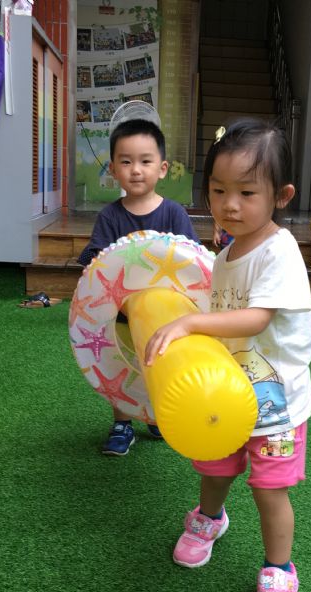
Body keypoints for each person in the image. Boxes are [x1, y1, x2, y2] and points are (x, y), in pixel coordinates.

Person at [144, 119, 311, 592]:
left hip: (276, 405)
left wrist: (190, 322)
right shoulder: (224, 255)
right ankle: (210, 519)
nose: (229, 205)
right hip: (223, 394)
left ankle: (279, 571)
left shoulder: (279, 250)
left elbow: (256, 319)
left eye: (246, 192)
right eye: (218, 191)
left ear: (281, 196)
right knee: (214, 467)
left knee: (269, 489)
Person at [77, 118, 199, 455]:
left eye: (145, 161)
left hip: (166, 315)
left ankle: (156, 413)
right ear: (113, 169)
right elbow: (95, 259)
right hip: (121, 315)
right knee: (122, 365)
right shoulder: (110, 217)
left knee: (159, 363)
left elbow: (193, 260)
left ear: (162, 168)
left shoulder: (174, 214)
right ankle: (122, 423)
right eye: (126, 161)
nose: (136, 170)